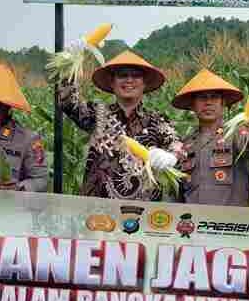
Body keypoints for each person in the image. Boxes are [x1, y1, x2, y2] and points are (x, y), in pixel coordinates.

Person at [58, 50, 180, 201]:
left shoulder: (157, 120)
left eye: (135, 76)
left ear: (144, 83)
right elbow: (68, 102)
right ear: (112, 82)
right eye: (122, 75)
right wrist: (70, 63)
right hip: (98, 209)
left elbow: (176, 146)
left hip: (144, 212)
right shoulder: (98, 113)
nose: (129, 80)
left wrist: (171, 156)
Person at [172, 69, 249, 207]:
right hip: (194, 221)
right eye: (202, 98)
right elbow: (177, 189)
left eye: (214, 97)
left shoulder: (237, 134)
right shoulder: (184, 144)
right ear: (192, 105)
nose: (208, 103)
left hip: (230, 222)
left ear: (223, 103)